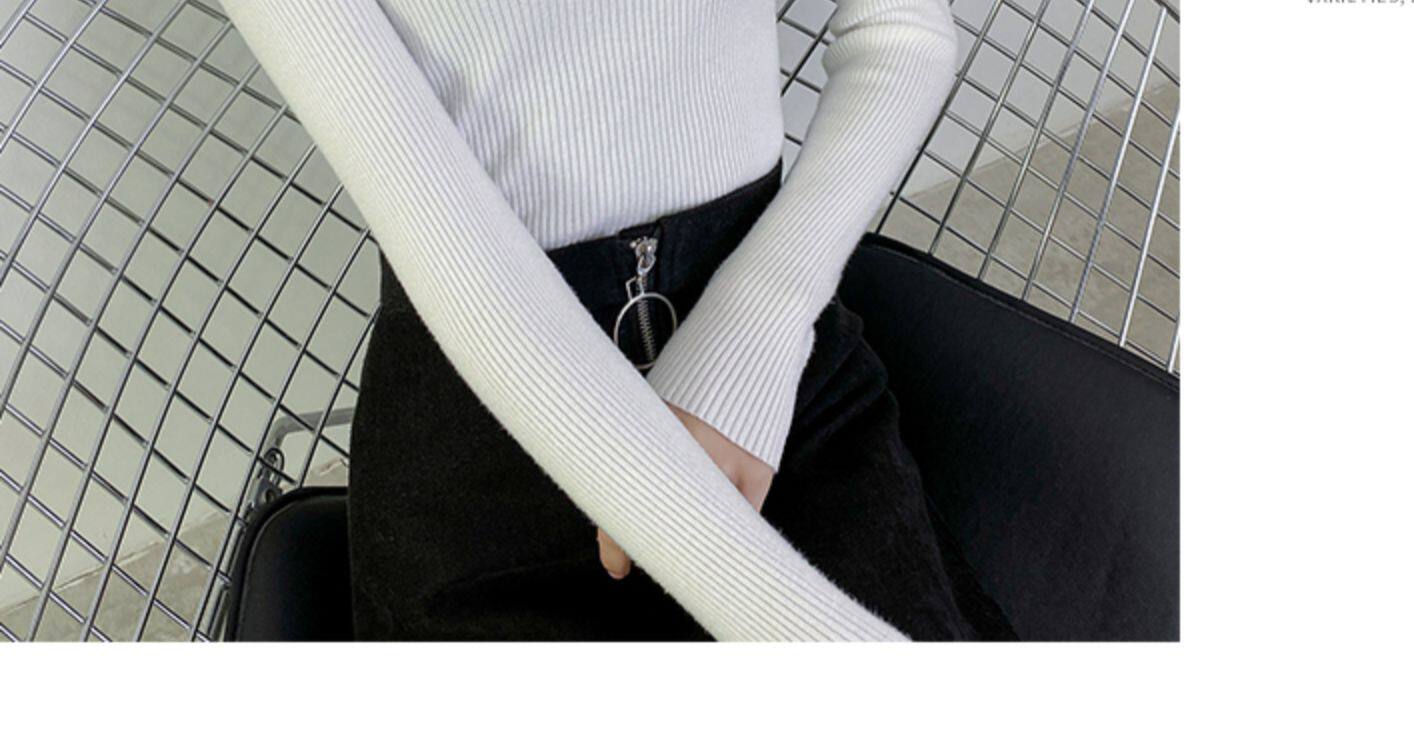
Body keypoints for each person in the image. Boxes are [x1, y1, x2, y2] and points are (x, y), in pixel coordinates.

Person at [221, 0, 1015, 641]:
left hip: (776, 380)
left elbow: (899, 31)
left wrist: (752, 336)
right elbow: (453, 251)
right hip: (495, 440)